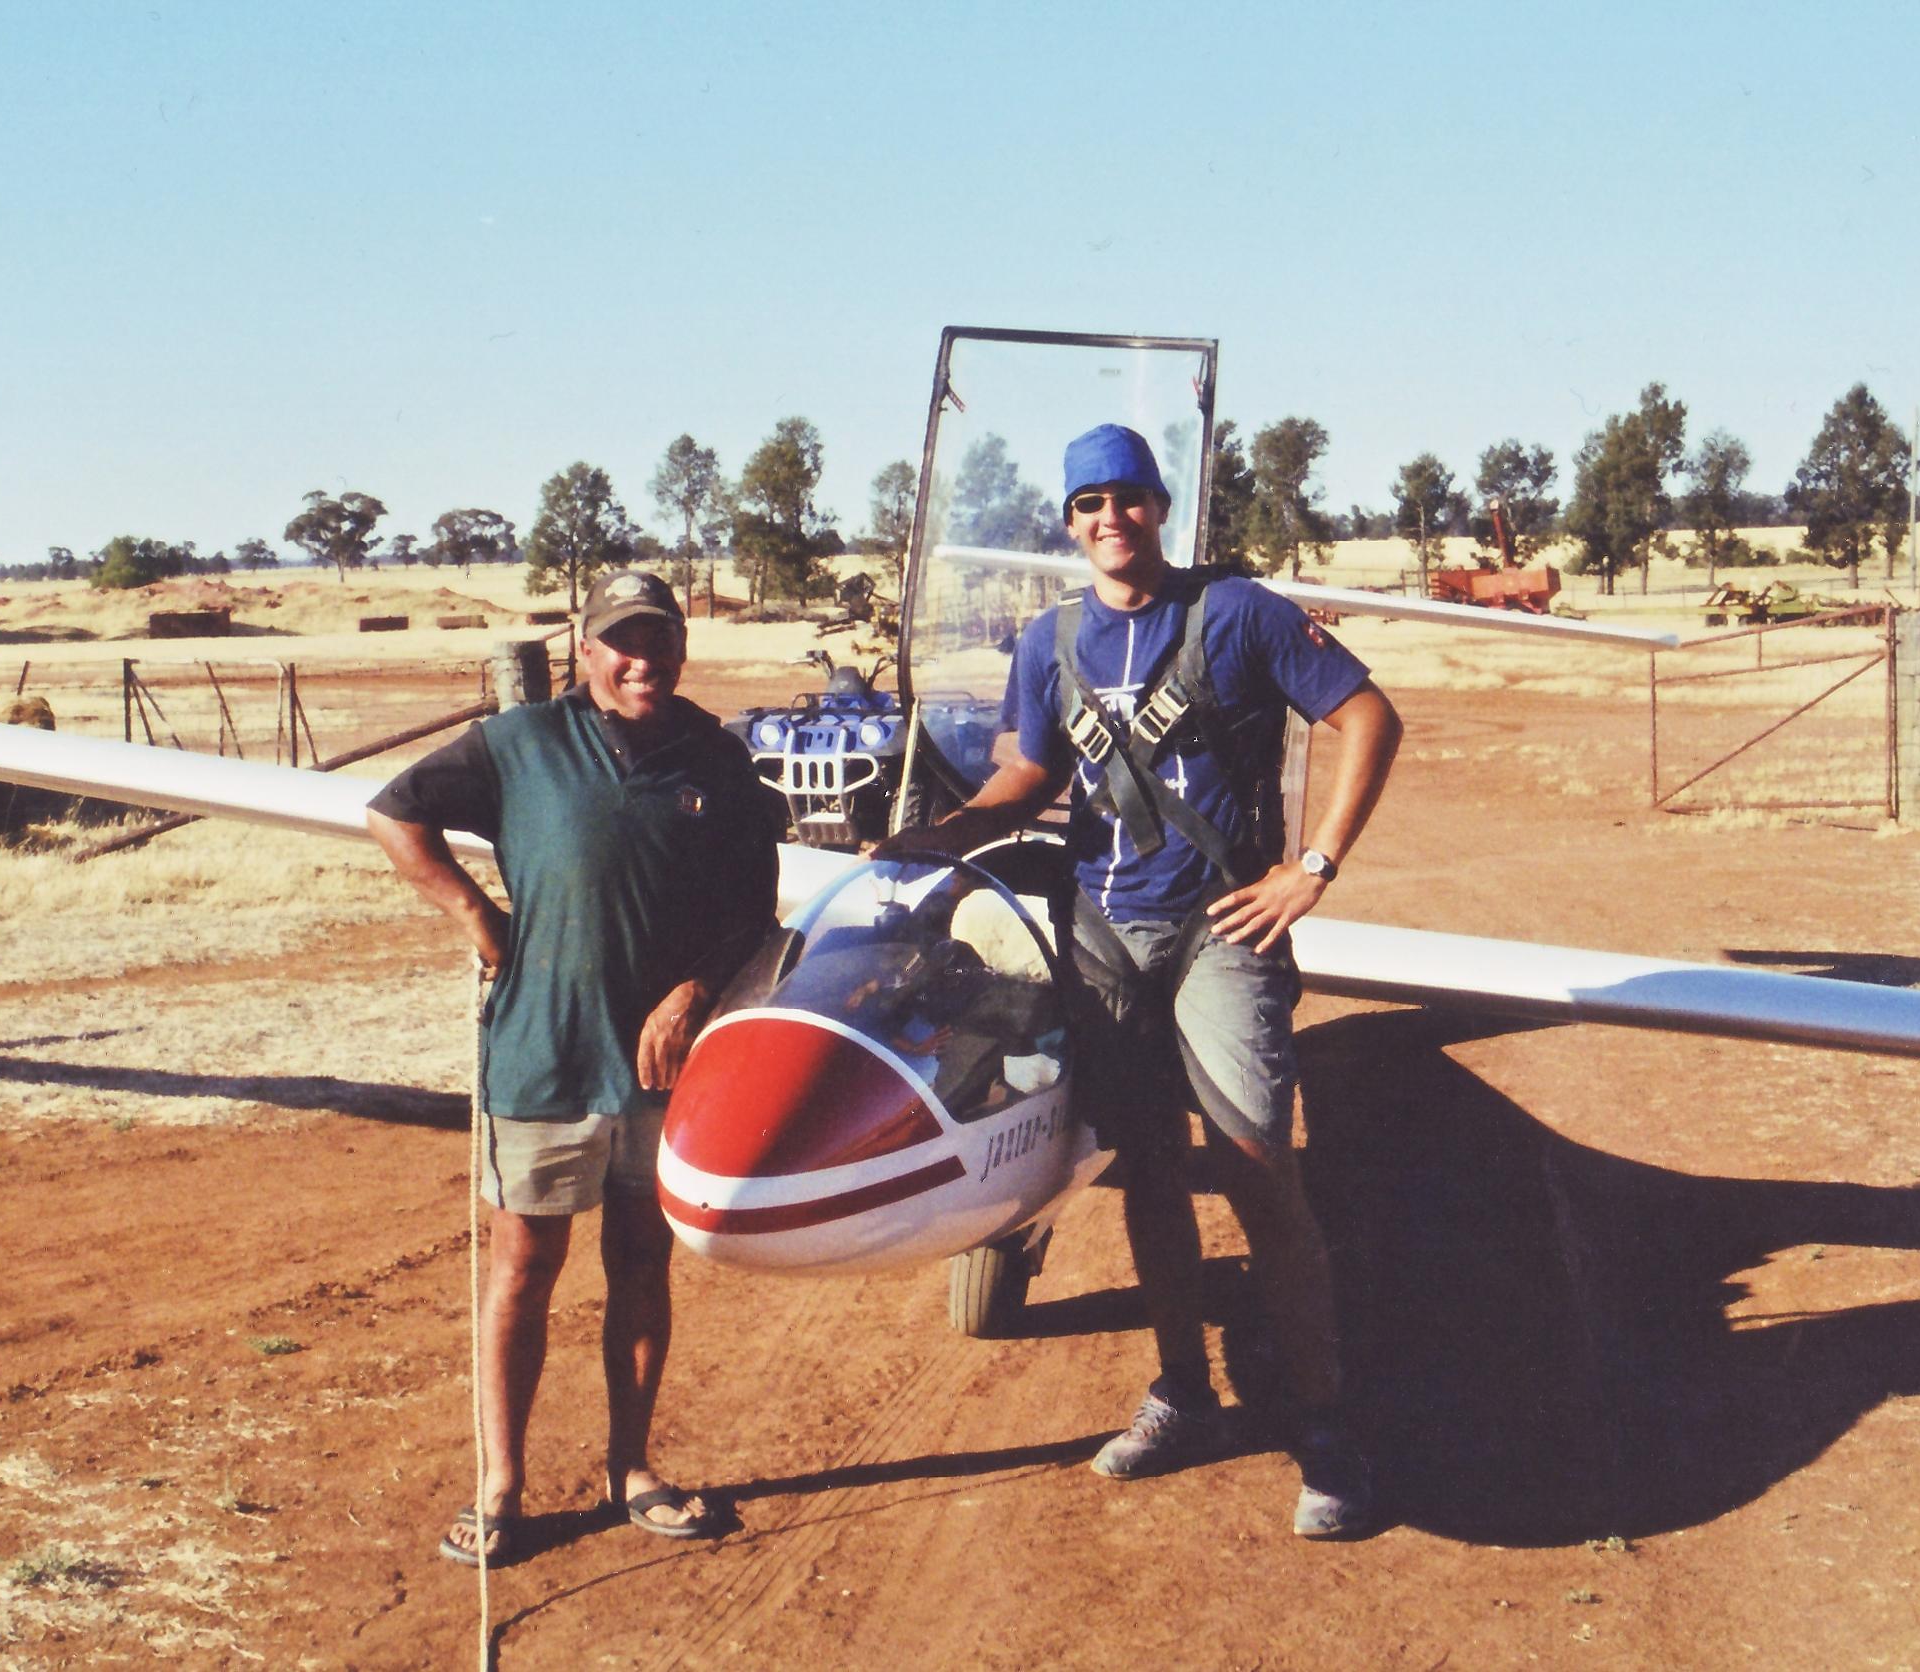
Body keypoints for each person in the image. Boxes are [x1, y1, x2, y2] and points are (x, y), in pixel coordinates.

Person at [880, 422, 1402, 1538]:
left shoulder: (1238, 613)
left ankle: (1324, 1426)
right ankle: (1183, 1393)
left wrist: (1311, 868)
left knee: (1258, 1170)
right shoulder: (1051, 639)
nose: (1108, 518)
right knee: (1147, 1172)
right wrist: (949, 832)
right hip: (1102, 935)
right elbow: (1031, 772)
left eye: (1126, 497)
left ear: (1160, 506)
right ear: (1069, 523)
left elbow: (1368, 715)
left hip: (1222, 927)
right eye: (1087, 504)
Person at [366, 569, 785, 1568]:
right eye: (622, 641)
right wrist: (476, 915)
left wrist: (691, 994)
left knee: (641, 1261)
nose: (644, 660)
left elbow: (752, 909)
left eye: (661, 639)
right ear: (584, 649)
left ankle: (630, 1469)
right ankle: (499, 1486)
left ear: (682, 649)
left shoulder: (715, 758)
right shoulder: (521, 743)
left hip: (660, 1067)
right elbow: (394, 811)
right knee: (524, 1267)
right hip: (542, 1051)